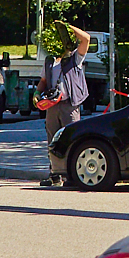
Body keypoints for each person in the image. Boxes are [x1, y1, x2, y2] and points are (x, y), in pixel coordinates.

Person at [37, 23, 90, 189]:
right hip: (52, 106)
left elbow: (86, 39)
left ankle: (72, 176)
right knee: (52, 140)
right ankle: (54, 174)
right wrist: (36, 94)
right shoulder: (50, 61)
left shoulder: (75, 58)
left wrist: (67, 27)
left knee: (72, 140)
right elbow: (44, 81)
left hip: (70, 105)